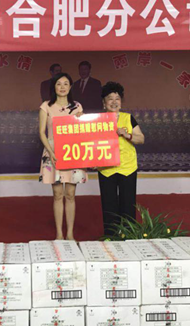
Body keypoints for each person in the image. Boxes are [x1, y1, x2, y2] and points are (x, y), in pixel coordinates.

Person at [38, 73, 87, 240]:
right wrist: (51, 152)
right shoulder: (46, 106)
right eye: (59, 83)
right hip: (53, 153)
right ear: (54, 87)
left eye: (66, 83)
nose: (62, 87)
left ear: (70, 87)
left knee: (70, 194)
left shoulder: (77, 107)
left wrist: (82, 119)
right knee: (58, 194)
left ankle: (70, 234)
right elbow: (42, 133)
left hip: (73, 152)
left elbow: (83, 131)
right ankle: (59, 234)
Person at [97, 82, 145, 237]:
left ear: (121, 101)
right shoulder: (97, 121)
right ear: (104, 102)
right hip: (106, 168)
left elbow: (141, 139)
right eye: (110, 98)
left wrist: (127, 135)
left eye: (117, 98)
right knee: (108, 204)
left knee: (128, 203)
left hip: (127, 167)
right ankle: (111, 236)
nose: (114, 102)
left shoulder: (128, 118)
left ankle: (129, 234)